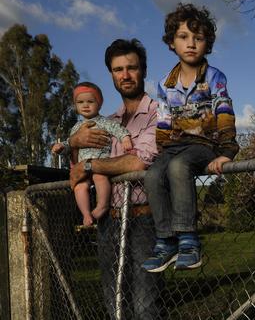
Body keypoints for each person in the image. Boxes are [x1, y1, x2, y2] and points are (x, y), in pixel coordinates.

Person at [68, 38, 163, 319]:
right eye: (118, 69)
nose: (125, 75)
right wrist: (75, 143)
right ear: (110, 74)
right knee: (114, 300)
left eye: (131, 68)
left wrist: (89, 166)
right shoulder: (107, 120)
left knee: (146, 304)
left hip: (144, 215)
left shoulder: (158, 113)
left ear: (143, 70)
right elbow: (76, 170)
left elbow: (140, 160)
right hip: (109, 218)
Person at [142, 3, 239, 272]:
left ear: (207, 43)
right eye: (183, 37)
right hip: (173, 146)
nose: (191, 43)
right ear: (172, 43)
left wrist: (227, 151)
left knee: (179, 166)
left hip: (204, 145)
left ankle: (188, 240)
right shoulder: (165, 84)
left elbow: (224, 112)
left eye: (198, 38)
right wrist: (161, 149)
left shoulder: (214, 77)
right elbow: (163, 120)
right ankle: (166, 241)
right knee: (152, 175)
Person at [52, 82, 133, 226]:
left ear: (99, 104)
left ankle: (102, 205)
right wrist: (61, 147)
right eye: (80, 102)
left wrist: (125, 138)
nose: (85, 105)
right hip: (82, 167)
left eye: (90, 101)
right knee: (79, 186)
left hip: (100, 163)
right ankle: (86, 214)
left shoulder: (104, 122)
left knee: (100, 177)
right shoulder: (76, 127)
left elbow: (117, 128)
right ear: (76, 106)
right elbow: (70, 144)